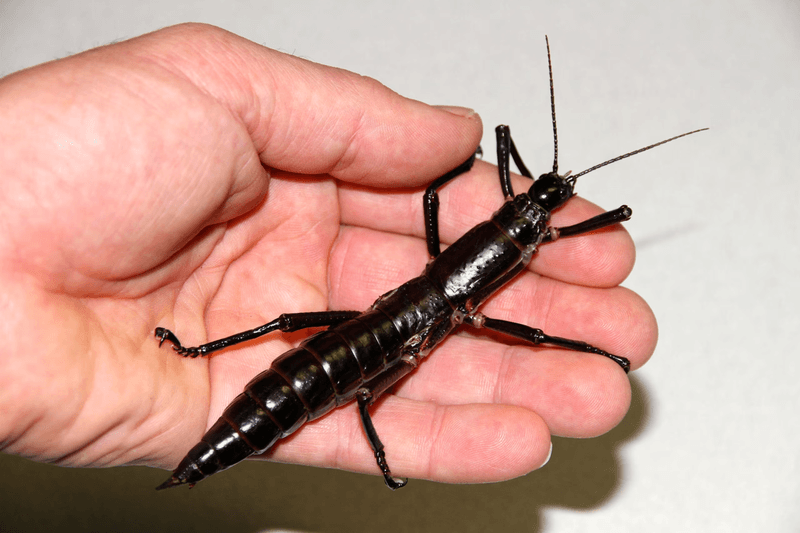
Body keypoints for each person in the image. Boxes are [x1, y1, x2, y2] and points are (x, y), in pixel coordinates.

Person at [0, 23, 655, 486]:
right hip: (383, 337)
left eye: (534, 218)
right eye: (530, 216)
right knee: (335, 364)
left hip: (378, 330)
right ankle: (203, 353)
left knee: (323, 352)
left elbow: (437, 194)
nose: (536, 212)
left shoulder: (509, 231)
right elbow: (440, 196)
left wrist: (506, 196)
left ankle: (207, 357)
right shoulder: (508, 248)